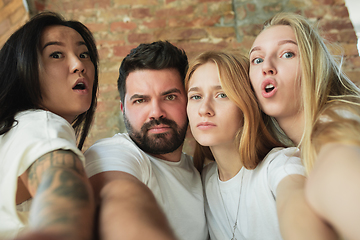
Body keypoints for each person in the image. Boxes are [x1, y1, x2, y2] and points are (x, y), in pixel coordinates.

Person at [185, 50, 337, 240]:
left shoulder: (281, 165)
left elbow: (294, 197)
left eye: (222, 94)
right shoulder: (204, 180)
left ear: (248, 104)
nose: (204, 109)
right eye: (196, 97)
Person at [249, 12, 360, 240]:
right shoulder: (298, 149)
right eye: (257, 59)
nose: (266, 67)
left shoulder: (337, 124)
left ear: (313, 64)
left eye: (287, 54)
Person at [84, 40, 208, 240]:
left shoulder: (199, 172)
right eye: (140, 100)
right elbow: (117, 198)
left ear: (188, 100)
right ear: (123, 109)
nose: (156, 113)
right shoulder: (114, 153)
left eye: (169, 97)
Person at [0, 11, 99, 240]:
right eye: (56, 55)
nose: (78, 65)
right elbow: (63, 191)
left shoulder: (12, 129)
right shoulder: (41, 124)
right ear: (23, 69)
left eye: (84, 54)